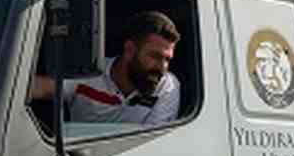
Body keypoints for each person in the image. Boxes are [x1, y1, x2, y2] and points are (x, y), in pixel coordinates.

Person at [29, 10, 182, 126]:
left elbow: (152, 140)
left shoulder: (167, 86)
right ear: (129, 49)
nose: (162, 67)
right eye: (155, 56)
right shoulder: (88, 72)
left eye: (167, 59)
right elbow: (39, 88)